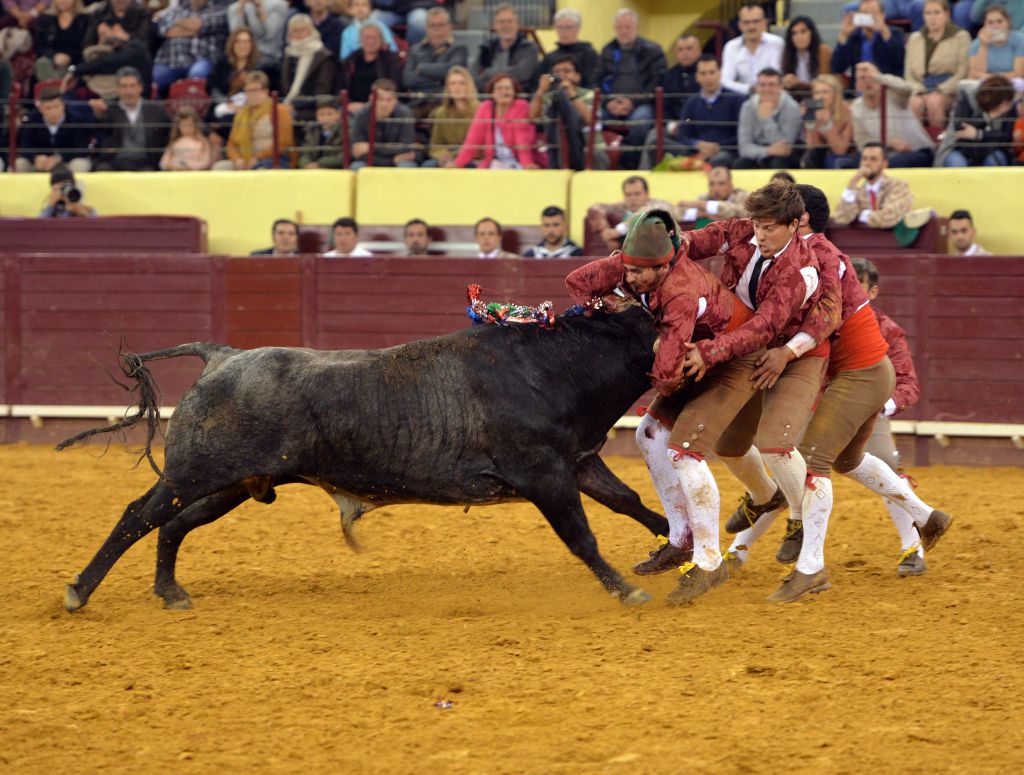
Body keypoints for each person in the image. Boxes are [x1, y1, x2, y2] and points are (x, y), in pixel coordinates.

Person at [643, 182, 828, 602]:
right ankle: (687, 534)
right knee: (661, 435)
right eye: (757, 225)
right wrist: (672, 244)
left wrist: (709, 351)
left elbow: (764, 327)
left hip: (758, 353)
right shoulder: (747, 229)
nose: (759, 235)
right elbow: (707, 237)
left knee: (700, 447)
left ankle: (725, 552)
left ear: (796, 226)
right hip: (723, 341)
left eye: (769, 228)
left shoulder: (801, 270)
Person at [564, 209, 757, 603]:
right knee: (650, 434)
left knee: (684, 452)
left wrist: (647, 342)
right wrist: (618, 308)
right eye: (627, 269)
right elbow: (577, 282)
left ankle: (709, 562)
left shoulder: (681, 293)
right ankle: (682, 537)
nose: (630, 279)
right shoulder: (632, 263)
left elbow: (668, 376)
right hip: (694, 355)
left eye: (639, 274)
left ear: (664, 265)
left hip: (735, 357)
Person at [641, 55, 745, 170]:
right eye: (703, 73)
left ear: (720, 74)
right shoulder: (692, 102)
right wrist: (698, 144)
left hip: (725, 151)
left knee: (720, 159)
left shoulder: (736, 99)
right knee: (654, 144)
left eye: (712, 72)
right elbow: (683, 135)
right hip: (695, 150)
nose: (708, 77)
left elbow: (741, 135)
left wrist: (717, 147)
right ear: (697, 77)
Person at [597, 8, 666, 169]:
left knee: (641, 123)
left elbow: (657, 82)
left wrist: (632, 102)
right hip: (610, 103)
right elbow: (597, 80)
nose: (623, 31)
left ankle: (630, 166)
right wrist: (608, 102)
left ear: (637, 28)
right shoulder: (607, 50)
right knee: (590, 119)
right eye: (619, 28)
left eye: (627, 27)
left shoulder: (653, 51)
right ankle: (601, 165)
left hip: (641, 104)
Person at [850, 61, 935, 166]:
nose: (868, 81)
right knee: (853, 162)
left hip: (917, 151)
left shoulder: (895, 96)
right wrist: (888, 142)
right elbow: (861, 141)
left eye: (872, 79)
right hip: (884, 154)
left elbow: (906, 88)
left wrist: (877, 75)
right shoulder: (856, 106)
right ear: (857, 85)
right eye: (862, 78)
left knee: (890, 164)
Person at [906, 0, 971, 136]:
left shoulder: (961, 36)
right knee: (914, 103)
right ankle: (918, 144)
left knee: (934, 101)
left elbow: (963, 71)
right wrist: (918, 89)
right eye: (928, 13)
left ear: (946, 14)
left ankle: (938, 144)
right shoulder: (914, 38)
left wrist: (940, 90)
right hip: (921, 86)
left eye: (936, 13)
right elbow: (909, 74)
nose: (932, 17)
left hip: (948, 88)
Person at [90, 65, 170, 171]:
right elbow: (101, 131)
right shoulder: (109, 109)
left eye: (132, 86)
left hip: (146, 162)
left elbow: (170, 133)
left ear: (140, 87)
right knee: (102, 170)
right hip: (115, 161)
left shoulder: (156, 110)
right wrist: (99, 115)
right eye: (124, 86)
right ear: (117, 89)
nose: (128, 91)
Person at [453, 74, 540, 170]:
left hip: (518, 161)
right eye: (499, 88)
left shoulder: (521, 106)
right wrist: (457, 164)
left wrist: (527, 164)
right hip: (495, 162)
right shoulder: (485, 107)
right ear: (492, 93)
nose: (504, 92)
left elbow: (522, 140)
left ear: (514, 92)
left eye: (507, 88)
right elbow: (472, 140)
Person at [528, 54, 598, 170]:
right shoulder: (548, 96)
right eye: (557, 71)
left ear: (577, 76)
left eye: (567, 71)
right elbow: (533, 117)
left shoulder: (589, 94)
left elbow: (590, 120)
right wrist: (540, 90)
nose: (561, 75)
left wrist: (571, 93)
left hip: (589, 151)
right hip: (558, 151)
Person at [217, 70, 295, 169]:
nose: (253, 94)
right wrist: (237, 159)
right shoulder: (241, 114)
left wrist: (258, 157)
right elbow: (232, 143)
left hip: (274, 159)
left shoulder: (278, 111)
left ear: (266, 91)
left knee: (259, 169)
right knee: (220, 167)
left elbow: (284, 143)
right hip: (245, 160)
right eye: (249, 90)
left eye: (256, 90)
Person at [401, 7, 467, 114]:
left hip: (445, 102)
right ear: (426, 28)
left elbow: (453, 71)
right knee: (401, 116)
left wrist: (422, 68)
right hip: (418, 101)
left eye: (441, 25)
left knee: (437, 115)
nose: (437, 29)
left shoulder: (459, 48)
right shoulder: (415, 49)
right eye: (433, 25)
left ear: (450, 27)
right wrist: (439, 79)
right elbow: (407, 79)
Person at [153, 0, 228, 94]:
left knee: (197, 74)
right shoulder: (174, 11)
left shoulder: (218, 10)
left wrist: (176, 23)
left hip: (201, 60)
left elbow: (198, 24)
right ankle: (158, 108)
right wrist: (195, 30)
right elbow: (166, 31)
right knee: (155, 78)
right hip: (170, 62)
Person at [586, 175, 677, 252]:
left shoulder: (657, 204)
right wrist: (604, 229)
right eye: (628, 195)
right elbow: (595, 208)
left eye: (637, 194)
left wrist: (619, 230)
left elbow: (653, 210)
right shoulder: (622, 206)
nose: (632, 198)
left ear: (646, 194)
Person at [832, 142, 914, 227]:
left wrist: (864, 215)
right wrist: (852, 183)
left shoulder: (898, 186)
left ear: (884, 164)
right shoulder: (857, 191)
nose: (867, 163)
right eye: (864, 159)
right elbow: (841, 218)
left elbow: (890, 216)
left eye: (873, 159)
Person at [734, 67, 803, 169]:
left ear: (781, 87)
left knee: (778, 164)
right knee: (740, 164)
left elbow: (785, 147)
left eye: (771, 85)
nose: (767, 89)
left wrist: (766, 119)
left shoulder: (792, 107)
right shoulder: (747, 107)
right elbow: (744, 148)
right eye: (762, 85)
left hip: (784, 157)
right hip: (759, 153)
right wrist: (768, 151)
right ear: (757, 88)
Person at [941, 74, 1017, 166]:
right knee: (957, 163)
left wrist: (978, 134)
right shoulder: (967, 96)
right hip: (961, 149)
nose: (1006, 106)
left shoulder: (1009, 104)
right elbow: (960, 127)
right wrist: (988, 116)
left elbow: (1007, 136)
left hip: (992, 150)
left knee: (996, 160)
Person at [15, 86, 93, 173]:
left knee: (80, 165)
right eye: (48, 108)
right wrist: (35, 157)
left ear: (63, 105)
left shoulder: (76, 119)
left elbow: (82, 148)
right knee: (19, 164)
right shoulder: (32, 119)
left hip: (67, 162)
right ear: (40, 109)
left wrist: (59, 158)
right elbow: (25, 146)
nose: (53, 112)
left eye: (56, 107)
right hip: (40, 163)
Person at [338, 21, 404, 116]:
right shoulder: (351, 59)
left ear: (381, 40)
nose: (370, 41)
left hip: (382, 105)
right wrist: (348, 104)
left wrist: (370, 105)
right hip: (352, 106)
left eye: (374, 38)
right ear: (360, 40)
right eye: (366, 38)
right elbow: (340, 86)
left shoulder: (391, 59)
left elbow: (394, 86)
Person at [350, 79, 418, 169]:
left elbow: (406, 148)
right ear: (371, 99)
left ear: (395, 100)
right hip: (376, 160)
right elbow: (358, 151)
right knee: (357, 167)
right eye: (380, 99)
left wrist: (371, 147)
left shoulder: (405, 113)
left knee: (406, 166)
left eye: (389, 100)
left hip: (398, 160)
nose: (384, 104)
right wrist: (391, 161)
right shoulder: (360, 115)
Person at [281, 14, 338, 122]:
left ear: (311, 30)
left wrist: (296, 105)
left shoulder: (324, 57)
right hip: (289, 106)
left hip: (313, 109)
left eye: (303, 30)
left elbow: (322, 91)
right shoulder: (288, 54)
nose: (299, 34)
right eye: (295, 30)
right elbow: (285, 86)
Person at [721, 3, 786, 94]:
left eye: (756, 21)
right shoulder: (731, 47)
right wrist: (750, 89)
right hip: (743, 98)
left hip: (772, 94)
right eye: (746, 22)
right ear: (740, 25)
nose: (751, 26)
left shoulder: (777, 43)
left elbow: (778, 76)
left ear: (764, 23)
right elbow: (725, 82)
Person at [832, 0, 907, 79]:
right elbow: (838, 67)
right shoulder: (854, 37)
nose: (869, 17)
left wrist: (884, 32)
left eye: (873, 13)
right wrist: (844, 35)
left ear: (882, 15)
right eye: (864, 13)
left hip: (887, 86)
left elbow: (899, 62)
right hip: (860, 86)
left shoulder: (895, 33)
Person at [474, 3, 539, 92]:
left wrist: (487, 73)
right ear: (495, 26)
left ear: (517, 24)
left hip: (520, 100)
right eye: (501, 22)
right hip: (488, 100)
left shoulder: (529, 48)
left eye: (509, 21)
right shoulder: (486, 48)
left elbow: (522, 74)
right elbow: (474, 77)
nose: (505, 25)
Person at [425, 65, 478, 167]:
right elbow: (435, 145)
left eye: (461, 83)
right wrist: (443, 155)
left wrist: (456, 157)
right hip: (449, 158)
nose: (457, 87)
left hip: (472, 158)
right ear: (448, 87)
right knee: (428, 165)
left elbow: (482, 146)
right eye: (452, 83)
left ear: (469, 86)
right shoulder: (441, 113)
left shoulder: (480, 110)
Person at [207, 27, 261, 127]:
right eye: (238, 42)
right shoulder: (222, 63)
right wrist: (227, 103)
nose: (243, 46)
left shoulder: (260, 65)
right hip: (227, 106)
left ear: (252, 45)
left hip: (251, 107)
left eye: (246, 42)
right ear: (232, 44)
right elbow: (212, 87)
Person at [534, 8, 600, 89]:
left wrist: (574, 80)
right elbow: (544, 79)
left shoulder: (589, 54)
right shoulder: (550, 57)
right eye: (560, 27)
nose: (564, 31)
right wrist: (552, 79)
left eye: (568, 27)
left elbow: (592, 81)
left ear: (578, 29)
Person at [801, 74, 857, 169]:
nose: (821, 97)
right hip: (824, 155)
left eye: (825, 92)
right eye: (817, 93)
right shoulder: (814, 110)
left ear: (835, 94)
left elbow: (840, 150)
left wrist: (827, 125)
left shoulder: (848, 111)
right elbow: (812, 147)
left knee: (832, 160)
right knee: (811, 158)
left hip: (848, 156)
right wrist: (810, 123)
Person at [32, 0, 88, 83]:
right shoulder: (45, 19)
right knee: (42, 63)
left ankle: (60, 90)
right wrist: (54, 56)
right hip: (51, 62)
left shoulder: (85, 20)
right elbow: (39, 46)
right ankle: (56, 89)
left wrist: (70, 57)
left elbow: (86, 46)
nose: (63, 1)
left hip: (75, 63)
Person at [227, 0, 288, 72]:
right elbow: (235, 36)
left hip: (269, 58)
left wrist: (260, 10)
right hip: (243, 58)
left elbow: (270, 34)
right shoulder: (233, 8)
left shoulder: (279, 5)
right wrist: (240, 10)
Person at [676, 165, 749, 224]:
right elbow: (678, 214)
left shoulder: (742, 195)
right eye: (712, 184)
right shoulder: (703, 198)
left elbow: (742, 212)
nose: (716, 188)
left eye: (721, 183)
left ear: (731, 185)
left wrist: (704, 205)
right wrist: (702, 213)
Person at [969, 4, 1024, 79]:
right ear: (984, 25)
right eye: (990, 22)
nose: (995, 26)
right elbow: (975, 73)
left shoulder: (1019, 40)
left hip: (1011, 83)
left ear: (1008, 22)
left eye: (1000, 21)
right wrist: (983, 46)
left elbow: (1019, 73)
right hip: (986, 84)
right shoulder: (976, 44)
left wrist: (992, 78)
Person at [780, 15, 832, 96]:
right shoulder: (787, 54)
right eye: (794, 33)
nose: (799, 36)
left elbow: (824, 83)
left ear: (811, 33)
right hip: (795, 98)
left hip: (819, 97)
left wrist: (799, 83)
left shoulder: (823, 51)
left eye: (803, 32)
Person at [82, 0, 154, 51]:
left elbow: (145, 45)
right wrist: (100, 40)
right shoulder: (99, 14)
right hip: (104, 58)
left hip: (132, 60)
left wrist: (126, 37)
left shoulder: (143, 14)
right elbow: (87, 46)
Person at [661, 33, 702, 120]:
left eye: (689, 48)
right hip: (675, 124)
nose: (685, 52)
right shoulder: (669, 75)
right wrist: (671, 125)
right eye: (680, 49)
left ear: (699, 50)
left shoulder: (707, 72)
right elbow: (664, 106)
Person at [159, 105, 213, 170]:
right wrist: (171, 166)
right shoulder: (174, 142)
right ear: (178, 126)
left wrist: (189, 168)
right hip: (174, 175)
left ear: (195, 125)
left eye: (190, 124)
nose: (187, 128)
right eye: (183, 125)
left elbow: (206, 162)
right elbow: (163, 162)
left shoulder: (203, 142)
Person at [299, 95, 345, 169]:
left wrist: (320, 163)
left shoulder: (344, 130)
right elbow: (305, 153)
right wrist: (306, 164)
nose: (326, 118)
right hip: (313, 170)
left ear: (338, 114)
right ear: (316, 116)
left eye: (330, 114)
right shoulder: (312, 130)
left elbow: (343, 157)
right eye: (321, 114)